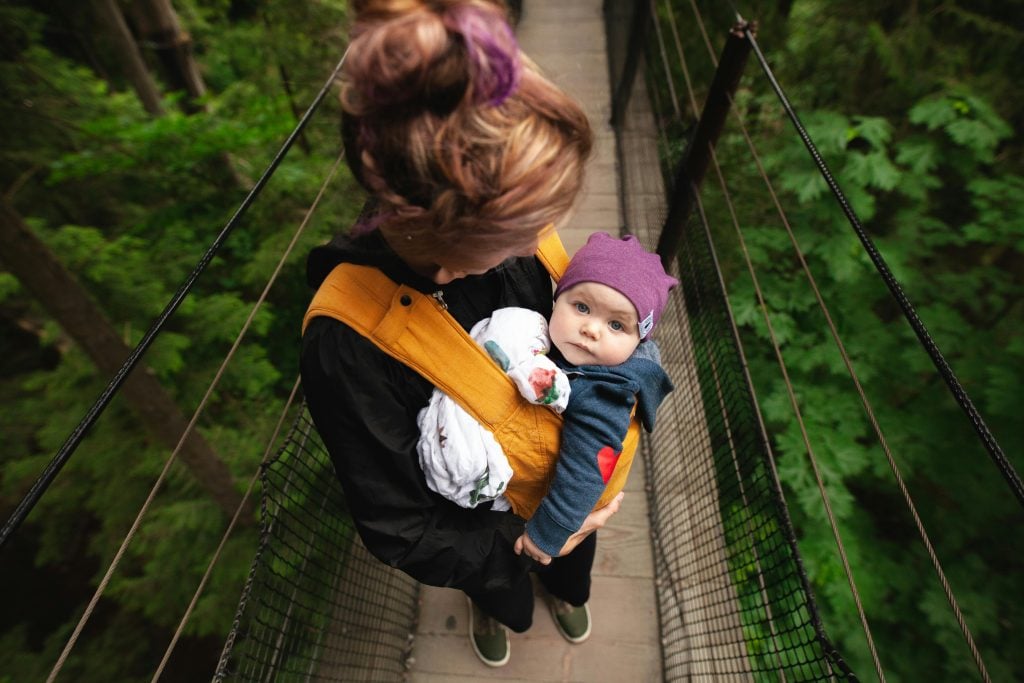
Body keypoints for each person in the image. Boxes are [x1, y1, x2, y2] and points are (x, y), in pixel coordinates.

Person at [299, 0, 625, 668]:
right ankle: (500, 604)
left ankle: (567, 589)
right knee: (503, 588)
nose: (540, 242)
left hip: (564, 476)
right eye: (519, 231)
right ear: (440, 232)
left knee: (572, 566)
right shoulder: (348, 345)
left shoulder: (517, 247)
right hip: (486, 534)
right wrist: (532, 540)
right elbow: (401, 525)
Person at [416, 233, 677, 573]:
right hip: (542, 495)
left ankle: (569, 596)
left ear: (637, 340)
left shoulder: (604, 393)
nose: (590, 329)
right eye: (581, 307)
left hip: (563, 512)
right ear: (558, 298)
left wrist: (549, 534)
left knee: (566, 571)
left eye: (616, 324)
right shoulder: (564, 350)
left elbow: (588, 467)